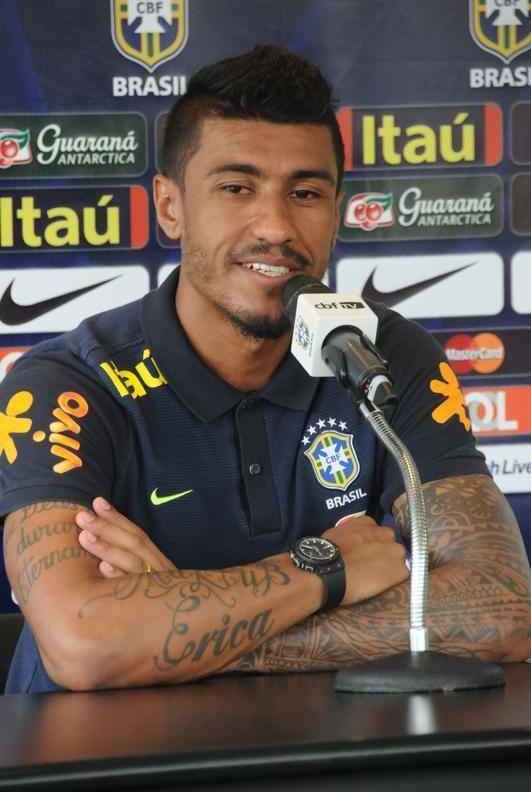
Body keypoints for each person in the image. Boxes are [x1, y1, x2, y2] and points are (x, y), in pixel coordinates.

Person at [1, 46, 530, 694]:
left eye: (304, 192)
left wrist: (175, 623)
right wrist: (325, 572)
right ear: (170, 206)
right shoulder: (66, 383)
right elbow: (84, 646)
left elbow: (501, 611)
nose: (275, 226)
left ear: (335, 208)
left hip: (317, 759)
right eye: (236, 188)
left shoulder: (385, 356)